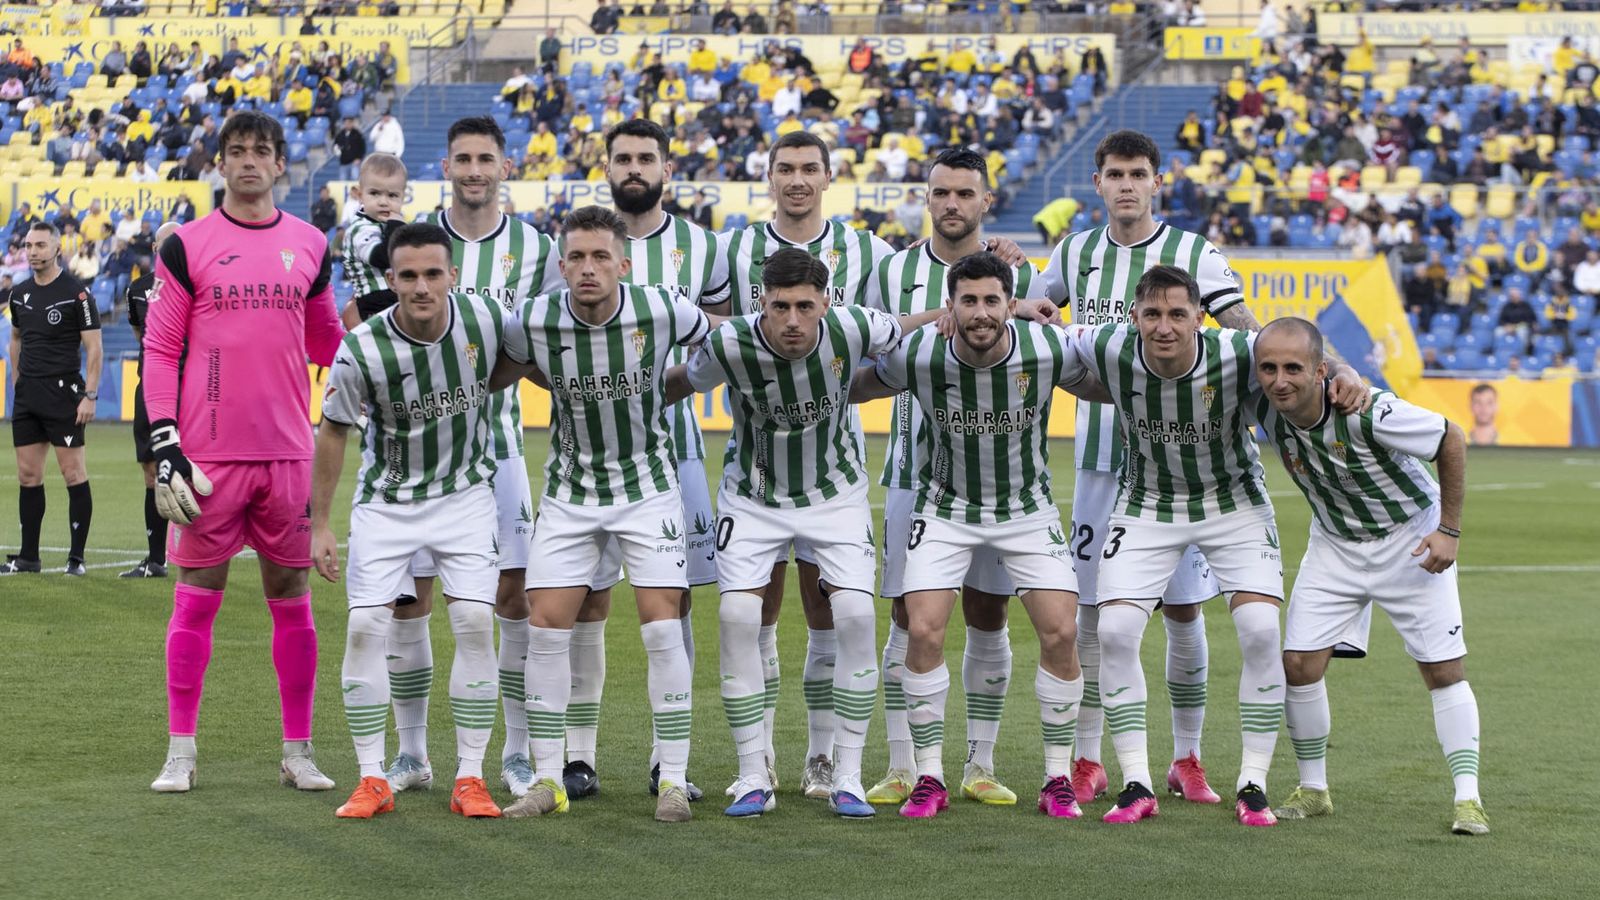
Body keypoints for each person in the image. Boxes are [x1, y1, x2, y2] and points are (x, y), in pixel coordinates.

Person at [1060, 265, 1366, 826]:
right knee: (1115, 631)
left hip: (1234, 504)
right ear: (1133, 317)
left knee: (1257, 631)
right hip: (1148, 504)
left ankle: (1252, 783)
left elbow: (1297, 346)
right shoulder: (1105, 344)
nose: (1165, 326)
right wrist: (1012, 311)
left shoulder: (1239, 351)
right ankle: (1136, 782)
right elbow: (1042, 338)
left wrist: (1347, 375)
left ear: (1199, 317)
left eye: (1178, 314)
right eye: (1152, 314)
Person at [1042, 131, 1259, 807]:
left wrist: (1298, 361)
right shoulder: (1075, 253)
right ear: (1098, 183)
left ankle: (1186, 757)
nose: (1127, 185)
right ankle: (1086, 759)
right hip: (1103, 462)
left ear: (1157, 181)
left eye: (1139, 173)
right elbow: (1037, 312)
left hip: (1184, 464)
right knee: (1089, 612)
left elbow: (1241, 325)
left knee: (1183, 610)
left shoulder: (1193, 253)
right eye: (1115, 174)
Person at [851, 252, 1107, 820]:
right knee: (921, 629)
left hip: (1027, 510)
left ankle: (1057, 778)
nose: (981, 312)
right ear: (951, 305)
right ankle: (929, 777)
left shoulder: (1048, 349)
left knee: (1063, 632)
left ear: (1011, 305)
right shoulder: (920, 353)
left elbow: (1100, 386)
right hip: (945, 510)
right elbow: (862, 385)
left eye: (992, 300)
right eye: (969, 300)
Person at [489, 205, 719, 823]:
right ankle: (547, 778)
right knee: (545, 626)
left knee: (662, 625)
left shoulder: (662, 309)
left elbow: (722, 339)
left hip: (648, 490)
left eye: (600, 258)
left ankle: (672, 778)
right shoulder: (534, 318)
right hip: (570, 493)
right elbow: (502, 369)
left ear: (623, 263)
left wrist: (679, 382)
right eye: (577, 258)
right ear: (561, 264)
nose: (588, 269)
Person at [664, 248, 909, 818]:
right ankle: (754, 773)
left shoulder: (853, 327)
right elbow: (683, 382)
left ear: (827, 302)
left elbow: (907, 329)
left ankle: (846, 773)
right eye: (781, 307)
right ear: (761, 305)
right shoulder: (729, 344)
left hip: (835, 494)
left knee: (853, 613)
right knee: (736, 617)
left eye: (805, 305)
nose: (794, 320)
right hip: (752, 498)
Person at [141, 111, 344, 794]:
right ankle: (180, 749)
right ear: (221, 165)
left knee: (290, 594)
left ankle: (298, 751)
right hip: (209, 458)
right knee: (197, 595)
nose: (250, 161)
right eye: (237, 151)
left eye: (262, 151)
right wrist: (165, 438)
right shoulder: (187, 245)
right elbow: (161, 347)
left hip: (290, 454)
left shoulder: (311, 245)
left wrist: (384, 346)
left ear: (282, 164)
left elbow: (327, 345)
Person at [863, 148, 1058, 809]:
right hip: (915, 470)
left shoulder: (1018, 269)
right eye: (940, 192)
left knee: (987, 610)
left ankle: (980, 762)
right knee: (910, 616)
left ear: (985, 201)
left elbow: (1045, 331)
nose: (951, 204)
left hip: (1001, 479)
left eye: (964, 193)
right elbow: (871, 343)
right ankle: (903, 765)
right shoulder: (892, 270)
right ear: (926, 197)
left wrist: (1025, 301)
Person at [708, 131, 898, 799]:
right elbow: (697, 326)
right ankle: (753, 763)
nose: (796, 179)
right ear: (768, 177)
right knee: (749, 615)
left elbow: (908, 316)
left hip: (832, 472)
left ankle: (826, 761)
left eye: (808, 169)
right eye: (784, 168)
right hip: (754, 471)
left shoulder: (867, 251)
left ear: (827, 176)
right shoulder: (730, 247)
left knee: (837, 613)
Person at [1251, 317, 1487, 836]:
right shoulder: (1263, 403)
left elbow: (1452, 436)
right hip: (1335, 541)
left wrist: (1449, 529)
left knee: (1443, 670)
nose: (1280, 380)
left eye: (1294, 368)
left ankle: (1468, 799)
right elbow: (1241, 331)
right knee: (1299, 664)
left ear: (1320, 371)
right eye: (1269, 368)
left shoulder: (1366, 410)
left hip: (1409, 538)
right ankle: (1314, 789)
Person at [389, 116, 565, 802]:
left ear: (503, 166)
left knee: (512, 598)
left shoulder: (535, 249)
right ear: (448, 167)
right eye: (461, 157)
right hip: (416, 455)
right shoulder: (416, 241)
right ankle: (410, 754)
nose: (472, 169)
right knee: (412, 601)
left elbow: (550, 340)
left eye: (484, 158)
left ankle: (518, 753)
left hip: (497, 451)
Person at [554, 119, 731, 802]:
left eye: (645, 158)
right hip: (589, 459)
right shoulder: (571, 245)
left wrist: (675, 386)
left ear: (666, 168)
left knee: (672, 602)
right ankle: (578, 756)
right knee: (588, 600)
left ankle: (668, 760)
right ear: (608, 167)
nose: (634, 167)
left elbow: (718, 341)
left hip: (674, 454)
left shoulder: (702, 247)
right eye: (623, 157)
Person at [313, 223, 511, 821]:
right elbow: (334, 433)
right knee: (366, 627)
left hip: (466, 496)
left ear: (452, 274)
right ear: (391, 280)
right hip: (387, 502)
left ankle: (471, 777)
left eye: (432, 273)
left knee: (476, 619)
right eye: (408, 275)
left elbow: (527, 362)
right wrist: (319, 523)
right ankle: (373, 776)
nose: (421, 286)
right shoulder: (363, 348)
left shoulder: (486, 320)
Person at [0, 223, 101, 577]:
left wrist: (89, 395)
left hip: (64, 395)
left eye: (41, 245)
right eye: (28, 245)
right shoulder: (19, 293)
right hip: (29, 396)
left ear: (57, 247)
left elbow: (94, 348)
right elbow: (15, 338)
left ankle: (76, 558)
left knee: (73, 473)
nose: (32, 251)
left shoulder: (77, 294)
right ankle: (28, 558)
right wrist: (17, 379)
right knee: (28, 476)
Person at [121, 222, 181, 579]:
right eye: (164, 245)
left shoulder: (199, 286)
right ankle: (155, 559)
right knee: (150, 468)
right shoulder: (137, 290)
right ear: (156, 249)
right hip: (150, 387)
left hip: (190, 386)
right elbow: (140, 332)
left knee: (197, 468)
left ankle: (204, 550)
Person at [338, 153, 407, 329]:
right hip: (375, 300)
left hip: (393, 295)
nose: (383, 202)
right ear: (361, 195)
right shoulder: (361, 227)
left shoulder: (385, 224)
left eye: (392, 196)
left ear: (403, 197)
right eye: (375, 193)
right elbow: (381, 258)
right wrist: (396, 226)